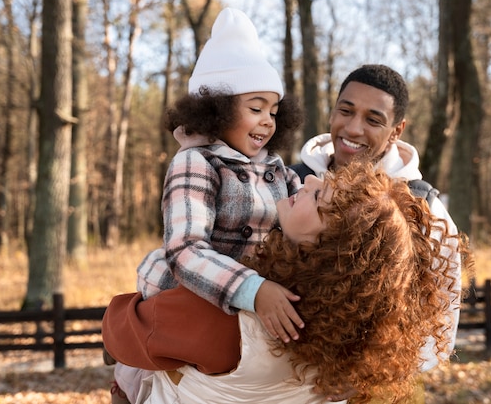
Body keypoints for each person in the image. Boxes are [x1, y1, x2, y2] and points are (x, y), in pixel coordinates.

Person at [102, 160, 472, 404]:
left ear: (327, 252)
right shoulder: (345, 348)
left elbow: (121, 333)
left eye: (318, 196)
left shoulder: (227, 318)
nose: (308, 178)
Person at [107, 8, 305, 404]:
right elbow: (185, 248)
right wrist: (253, 289)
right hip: (199, 294)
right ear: (218, 107)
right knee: (147, 376)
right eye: (255, 107)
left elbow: (310, 221)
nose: (267, 121)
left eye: (273, 111)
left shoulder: (279, 171)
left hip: (257, 312)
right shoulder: (195, 162)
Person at [290, 64, 464, 401]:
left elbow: (443, 316)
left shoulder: (424, 208)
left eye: (373, 120)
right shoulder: (290, 183)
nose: (353, 129)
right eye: (346, 111)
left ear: (397, 130)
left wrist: (370, 375)